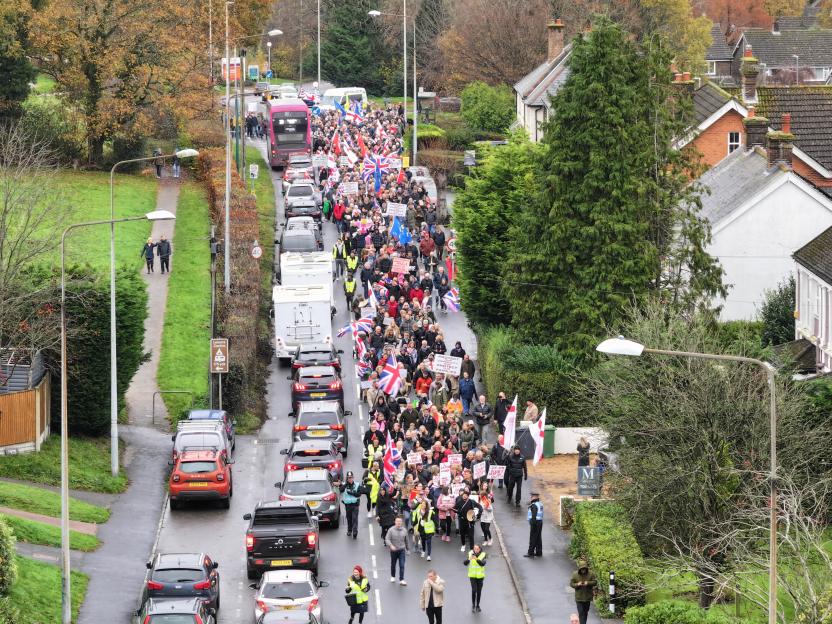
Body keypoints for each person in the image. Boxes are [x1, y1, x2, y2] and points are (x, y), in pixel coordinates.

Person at [570, 559, 597, 624]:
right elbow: (571, 584)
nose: (583, 570)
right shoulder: (575, 574)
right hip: (579, 597)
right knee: (581, 612)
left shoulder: (591, 574)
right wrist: (577, 584)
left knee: (585, 612)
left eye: (584, 569)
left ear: (586, 568)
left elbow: (595, 582)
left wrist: (588, 583)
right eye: (582, 569)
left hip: (587, 597)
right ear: (579, 569)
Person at [385, 516, 409, 586]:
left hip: (402, 550)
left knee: (402, 565)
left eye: (400, 521)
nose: (398, 523)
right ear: (395, 522)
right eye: (397, 521)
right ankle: (393, 576)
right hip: (394, 551)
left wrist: (408, 549)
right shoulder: (391, 530)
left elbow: (406, 540)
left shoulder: (404, 530)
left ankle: (401, 579)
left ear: (401, 522)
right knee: (393, 564)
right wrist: (391, 545)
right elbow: (387, 539)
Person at [463, 543, 487, 613]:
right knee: (474, 590)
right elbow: (465, 563)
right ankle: (473, 605)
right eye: (474, 548)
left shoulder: (483, 554)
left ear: (479, 549)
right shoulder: (470, 553)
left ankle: (478, 606)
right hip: (472, 576)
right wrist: (469, 559)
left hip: (480, 577)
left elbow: (482, 564)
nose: (475, 550)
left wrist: (476, 559)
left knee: (479, 591)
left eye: (477, 549)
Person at [340, 472, 363, 539]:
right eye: (348, 477)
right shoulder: (345, 485)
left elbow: (359, 494)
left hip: (355, 504)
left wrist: (352, 493)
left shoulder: (357, 484)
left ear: (353, 477)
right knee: (349, 518)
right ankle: (349, 530)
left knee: (354, 518)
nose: (350, 479)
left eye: (351, 477)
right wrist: (346, 484)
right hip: (347, 505)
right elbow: (340, 490)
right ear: (347, 478)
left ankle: (355, 532)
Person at [524, 492, 543, 558]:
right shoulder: (540, 504)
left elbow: (534, 516)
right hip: (540, 522)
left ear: (536, 497)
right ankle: (539, 552)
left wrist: (533, 524)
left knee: (533, 537)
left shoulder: (534, 505)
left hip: (535, 523)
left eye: (532, 496)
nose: (531, 497)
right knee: (538, 538)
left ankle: (530, 552)